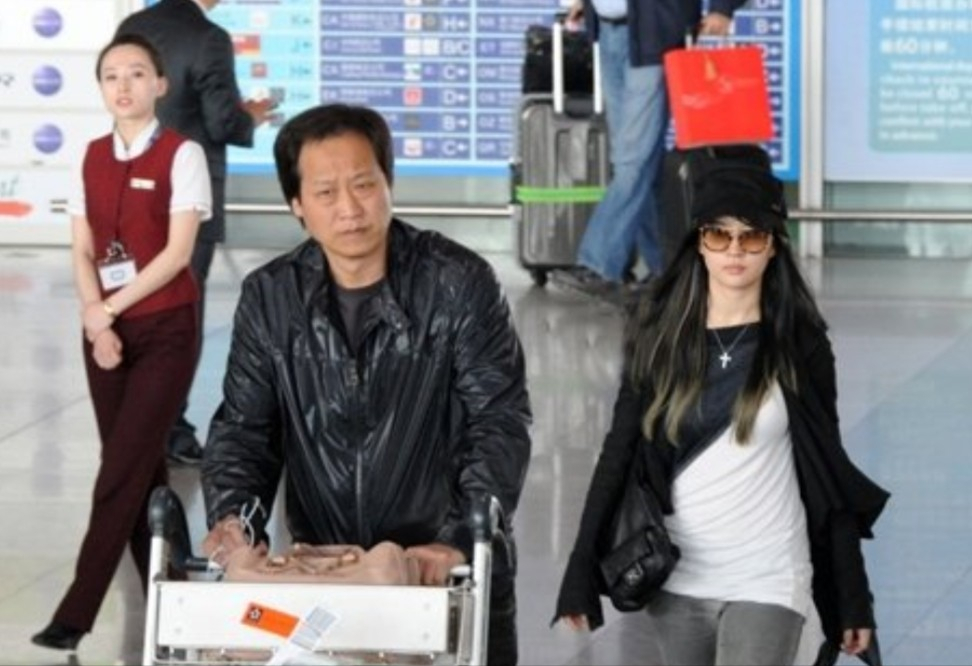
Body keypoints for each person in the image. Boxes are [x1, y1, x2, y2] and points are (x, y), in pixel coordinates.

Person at [199, 103, 532, 665]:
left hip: (442, 571)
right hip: (327, 572)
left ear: (388, 183)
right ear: (297, 205)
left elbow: (499, 421)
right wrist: (236, 518)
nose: (350, 209)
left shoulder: (458, 283)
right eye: (326, 193)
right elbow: (245, 431)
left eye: (364, 185)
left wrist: (455, 539)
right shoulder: (271, 297)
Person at [553, 152, 890, 665]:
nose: (734, 250)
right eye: (718, 234)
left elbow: (829, 472)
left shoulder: (799, 343)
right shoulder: (659, 337)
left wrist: (853, 597)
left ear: (773, 246)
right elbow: (618, 454)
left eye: (751, 237)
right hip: (679, 578)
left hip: (769, 574)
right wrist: (580, 569)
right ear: (699, 243)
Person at [31, 33, 210, 651]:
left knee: (118, 471)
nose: (124, 85)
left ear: (160, 84)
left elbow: (177, 255)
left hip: (165, 327)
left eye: (136, 73)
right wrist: (96, 320)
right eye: (111, 75)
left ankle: (75, 612)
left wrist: (106, 309)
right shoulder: (89, 157)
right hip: (103, 329)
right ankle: (178, 593)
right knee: (140, 466)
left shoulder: (183, 155)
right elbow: (82, 248)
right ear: (101, 88)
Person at [117, 0, 275, 466]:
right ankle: (170, 431)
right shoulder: (208, 38)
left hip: (132, 188)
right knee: (181, 311)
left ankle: (139, 424)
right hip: (186, 195)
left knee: (138, 305)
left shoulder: (133, 25)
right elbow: (222, 121)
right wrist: (252, 116)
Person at [553, 0, 748, 301]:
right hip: (609, 32)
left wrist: (722, 8)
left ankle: (598, 264)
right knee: (642, 161)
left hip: (656, 32)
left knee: (632, 160)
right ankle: (667, 270)